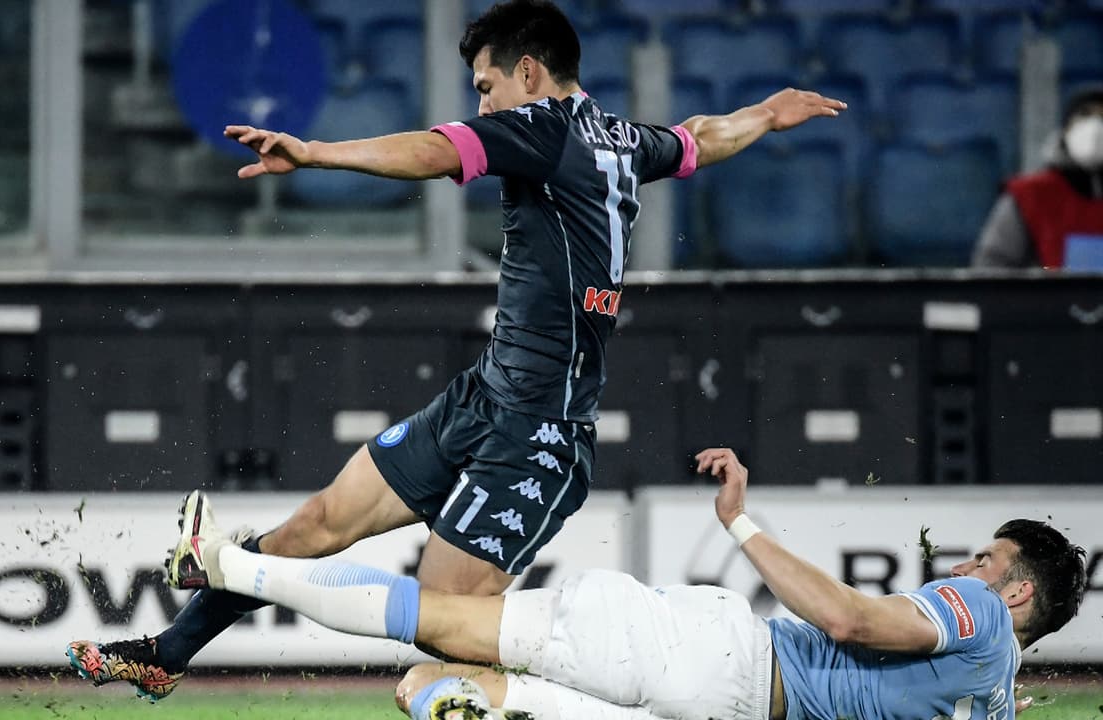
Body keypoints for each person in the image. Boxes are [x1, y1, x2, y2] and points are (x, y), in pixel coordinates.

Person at [67, 0, 846, 700]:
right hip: (484, 396)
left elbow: (434, 150)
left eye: (485, 85)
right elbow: (700, 138)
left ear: (529, 73)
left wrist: (317, 153)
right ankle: (167, 655)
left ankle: (557, 702)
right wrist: (765, 114)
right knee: (319, 524)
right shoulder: (623, 140)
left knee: (444, 629)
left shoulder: (543, 129)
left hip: (540, 431)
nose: (481, 105)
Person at [161, 447, 1087, 720]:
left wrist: (741, 524)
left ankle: (231, 564)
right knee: (426, 687)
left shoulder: (976, 617)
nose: (963, 569)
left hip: (718, 653)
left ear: (1015, 595)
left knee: (442, 619)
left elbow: (846, 619)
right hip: (723, 712)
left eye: (983, 561)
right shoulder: (992, 698)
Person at [973, 85, 1103, 268]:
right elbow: (993, 266)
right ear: (1066, 131)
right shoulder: (1030, 195)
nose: (1096, 128)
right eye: (1084, 115)